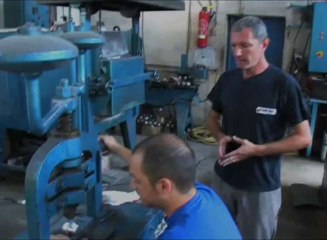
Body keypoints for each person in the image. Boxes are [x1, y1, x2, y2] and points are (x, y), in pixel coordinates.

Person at [206, 16, 312, 239]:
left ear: (264, 44)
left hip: (259, 186)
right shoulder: (228, 79)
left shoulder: (283, 85)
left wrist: (256, 150)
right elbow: (212, 118)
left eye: (245, 45)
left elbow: (303, 138)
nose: (237, 53)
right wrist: (220, 136)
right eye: (234, 45)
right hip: (222, 178)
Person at [99, 133, 242, 239]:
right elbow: (150, 166)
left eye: (137, 180)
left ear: (163, 186)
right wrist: (116, 147)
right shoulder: (204, 194)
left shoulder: (176, 236)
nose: (131, 185)